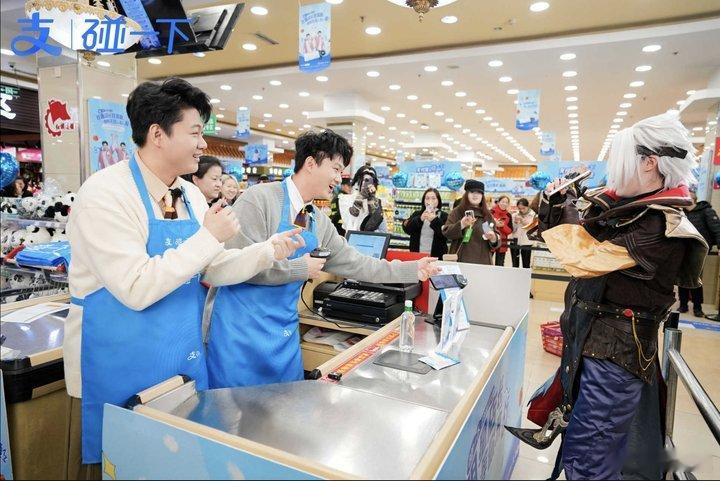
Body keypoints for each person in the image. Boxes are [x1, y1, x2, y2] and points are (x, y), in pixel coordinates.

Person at [65, 77, 304, 479]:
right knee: (117, 465)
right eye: (194, 132)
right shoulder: (105, 195)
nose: (203, 144)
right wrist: (209, 237)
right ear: (157, 134)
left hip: (177, 361)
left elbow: (213, 268)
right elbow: (136, 287)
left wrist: (267, 251)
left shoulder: (190, 195)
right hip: (113, 363)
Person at [507, 112, 708, 481]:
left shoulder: (662, 223)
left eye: (621, 162)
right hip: (592, 345)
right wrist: (559, 204)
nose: (613, 173)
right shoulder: (628, 209)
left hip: (615, 357)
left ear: (650, 163)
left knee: (590, 457)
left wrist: (568, 213)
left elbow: (586, 259)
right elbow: (577, 238)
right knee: (584, 446)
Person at [205, 129, 439, 389]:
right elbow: (235, 266)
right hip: (239, 334)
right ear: (310, 163)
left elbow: (358, 263)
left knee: (285, 407)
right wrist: (300, 268)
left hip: (282, 335)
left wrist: (411, 269)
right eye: (336, 169)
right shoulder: (259, 199)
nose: (339, 178)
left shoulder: (318, 220)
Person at [678, 191, 720, 317]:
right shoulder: (681, 213)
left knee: (695, 278)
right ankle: (683, 304)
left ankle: (697, 307)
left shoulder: (706, 211)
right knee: (682, 276)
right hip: (682, 248)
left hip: (698, 250)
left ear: (693, 199)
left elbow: (717, 229)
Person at [442, 180, 499, 264]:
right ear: (466, 194)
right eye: (472, 192)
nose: (475, 195)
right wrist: (461, 224)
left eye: (479, 192)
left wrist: (493, 238)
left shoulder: (486, 215)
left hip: (483, 262)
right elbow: (447, 232)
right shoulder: (457, 212)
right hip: (461, 260)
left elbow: (496, 239)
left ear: (482, 196)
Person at [402, 187, 449, 259]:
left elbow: (445, 235)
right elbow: (407, 229)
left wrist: (434, 220)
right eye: (427, 198)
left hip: (436, 257)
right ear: (423, 201)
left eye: (433, 198)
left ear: (438, 200)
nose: (430, 201)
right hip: (417, 256)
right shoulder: (417, 214)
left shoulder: (444, 216)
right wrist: (420, 219)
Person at [340, 165, 386, 232]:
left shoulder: (376, 202)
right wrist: (359, 199)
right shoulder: (345, 199)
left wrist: (371, 201)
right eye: (365, 180)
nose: (367, 184)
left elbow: (382, 228)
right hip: (352, 237)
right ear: (358, 181)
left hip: (371, 238)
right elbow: (348, 224)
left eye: (371, 181)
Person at [510, 198, 536, 269]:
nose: (521, 210)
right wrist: (515, 223)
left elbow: (531, 228)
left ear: (528, 206)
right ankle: (514, 275)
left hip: (527, 242)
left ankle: (525, 276)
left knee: (526, 264)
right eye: (519, 208)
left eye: (523, 208)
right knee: (515, 264)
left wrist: (522, 220)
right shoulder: (514, 215)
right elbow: (512, 230)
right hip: (515, 241)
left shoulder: (533, 215)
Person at [490, 195, 514, 266]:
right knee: (487, 262)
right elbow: (485, 226)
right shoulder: (491, 212)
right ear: (498, 202)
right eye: (503, 202)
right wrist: (494, 225)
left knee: (500, 264)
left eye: (506, 202)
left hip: (502, 242)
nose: (504, 204)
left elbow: (510, 231)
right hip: (490, 241)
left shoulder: (508, 215)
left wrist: (503, 226)